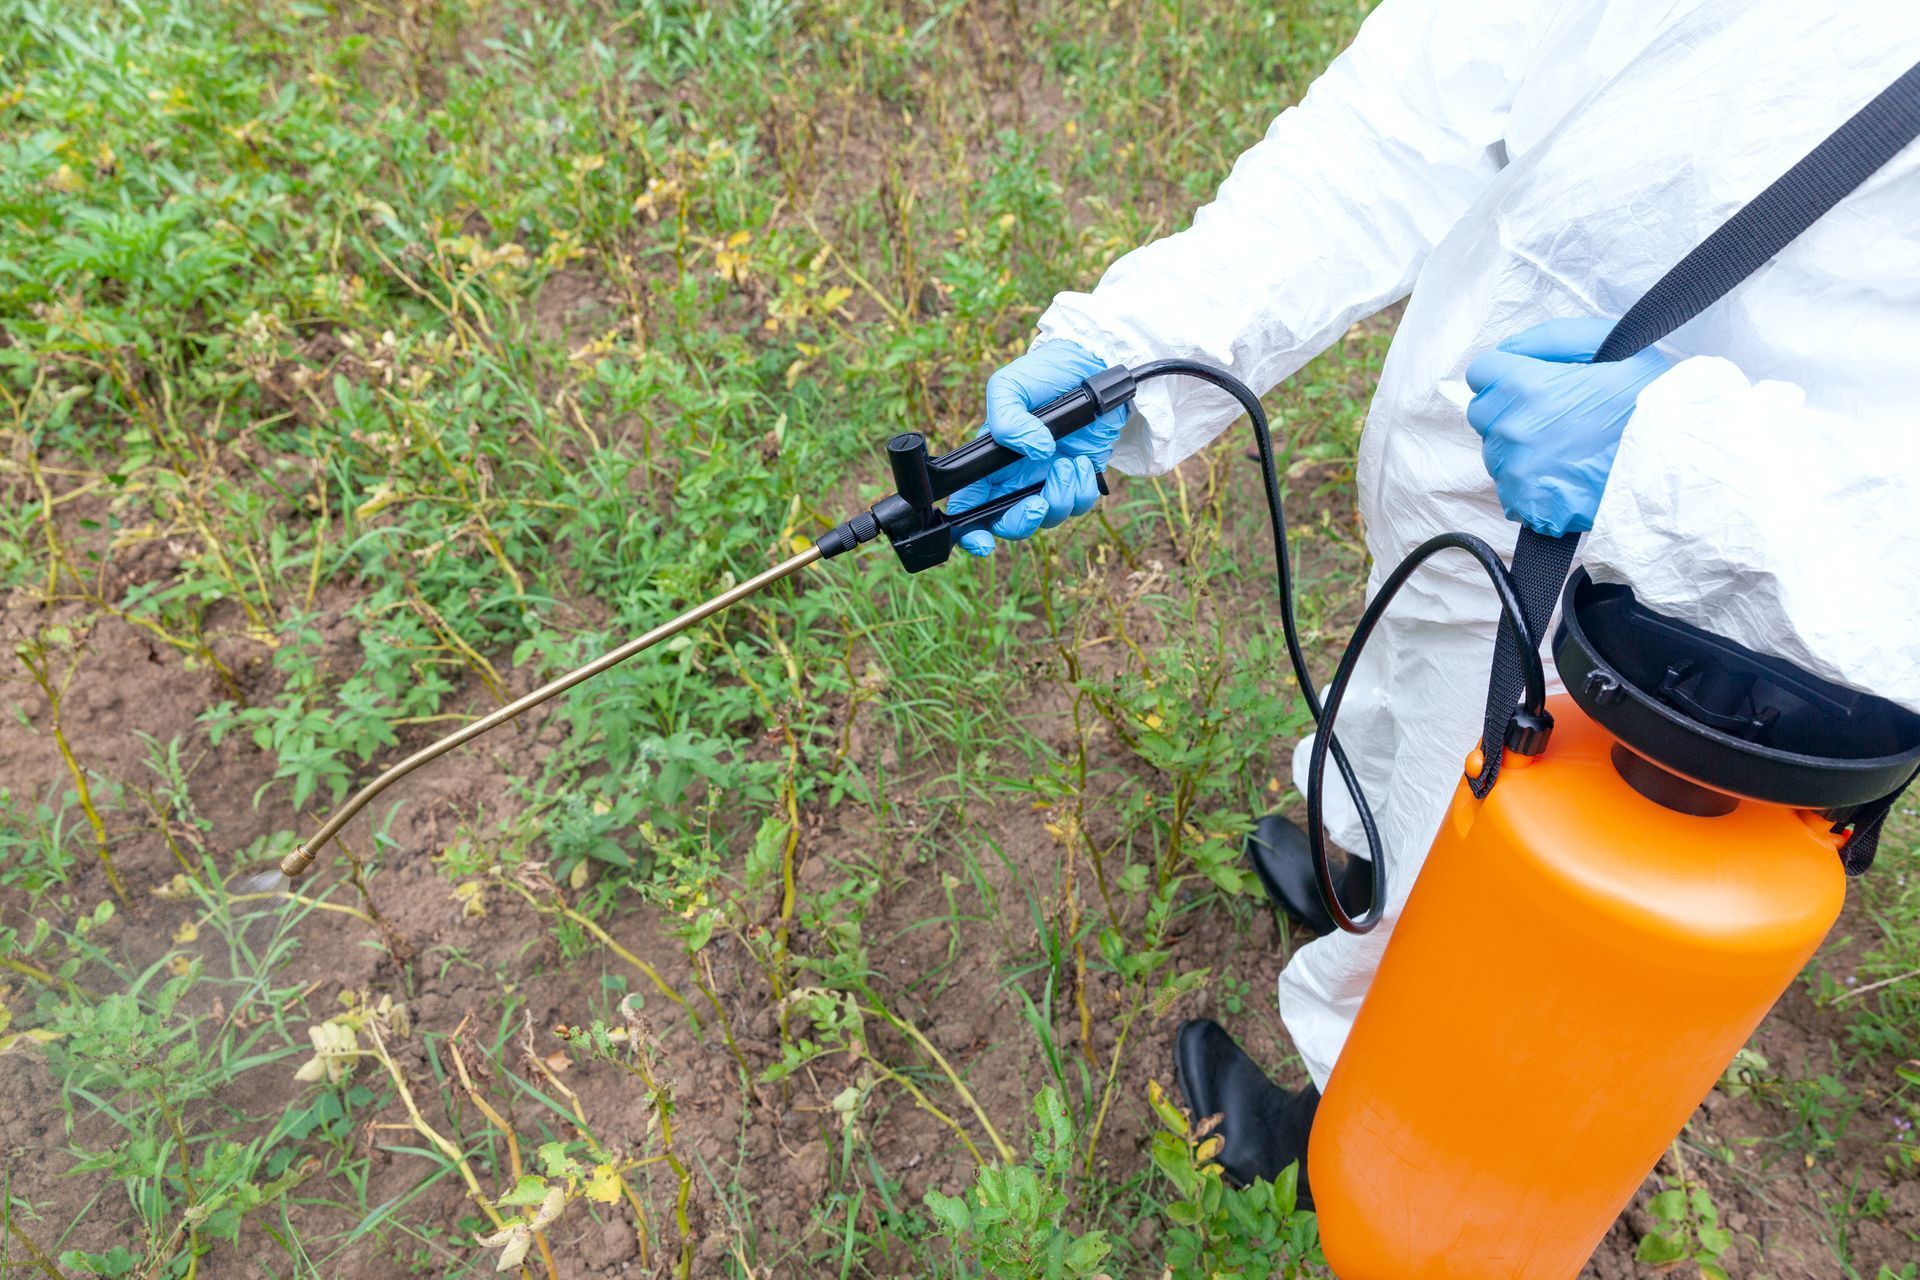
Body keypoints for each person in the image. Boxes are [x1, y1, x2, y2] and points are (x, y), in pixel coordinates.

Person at [950, 0, 1920, 1202]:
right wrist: (1140, 345)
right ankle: (1351, 845)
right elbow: (1420, 98)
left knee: (1475, 858)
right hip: (1470, 453)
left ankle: (1348, 1120)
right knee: (1400, 689)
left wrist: (1677, 466)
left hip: (1662, 586)